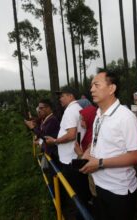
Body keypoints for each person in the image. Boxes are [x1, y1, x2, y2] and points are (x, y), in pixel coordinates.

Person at [80, 69, 137, 220]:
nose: (91, 89)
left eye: (96, 85)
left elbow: (136, 156)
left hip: (118, 190)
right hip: (99, 185)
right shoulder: (98, 114)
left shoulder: (125, 117)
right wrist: (88, 151)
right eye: (91, 85)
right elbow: (97, 140)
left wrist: (100, 163)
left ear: (111, 88)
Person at [45, 86, 89, 219]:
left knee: (75, 192)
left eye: (62, 96)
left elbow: (71, 135)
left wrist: (55, 141)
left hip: (71, 159)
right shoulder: (78, 109)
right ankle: (82, 212)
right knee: (80, 190)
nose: (60, 99)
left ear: (71, 96)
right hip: (76, 156)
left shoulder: (70, 111)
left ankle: (78, 215)